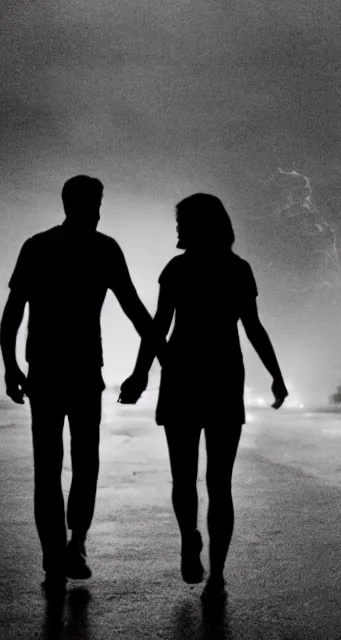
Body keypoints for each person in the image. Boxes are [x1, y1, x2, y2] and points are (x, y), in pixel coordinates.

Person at [119, 193, 287, 602]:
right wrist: (276, 376)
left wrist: (141, 374)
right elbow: (253, 327)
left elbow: (159, 327)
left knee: (184, 477)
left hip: (181, 377)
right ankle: (217, 577)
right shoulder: (237, 269)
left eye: (181, 223)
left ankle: (189, 537)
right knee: (220, 483)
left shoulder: (177, 269)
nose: (177, 230)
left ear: (197, 225)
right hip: (224, 376)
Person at [2, 175, 163, 597]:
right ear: (95, 207)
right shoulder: (104, 249)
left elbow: (12, 314)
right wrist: (157, 364)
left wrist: (10, 366)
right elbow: (135, 311)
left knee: (47, 467)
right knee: (85, 460)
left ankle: (53, 558)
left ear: (65, 203)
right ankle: (76, 542)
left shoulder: (36, 246)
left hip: (45, 371)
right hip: (84, 370)